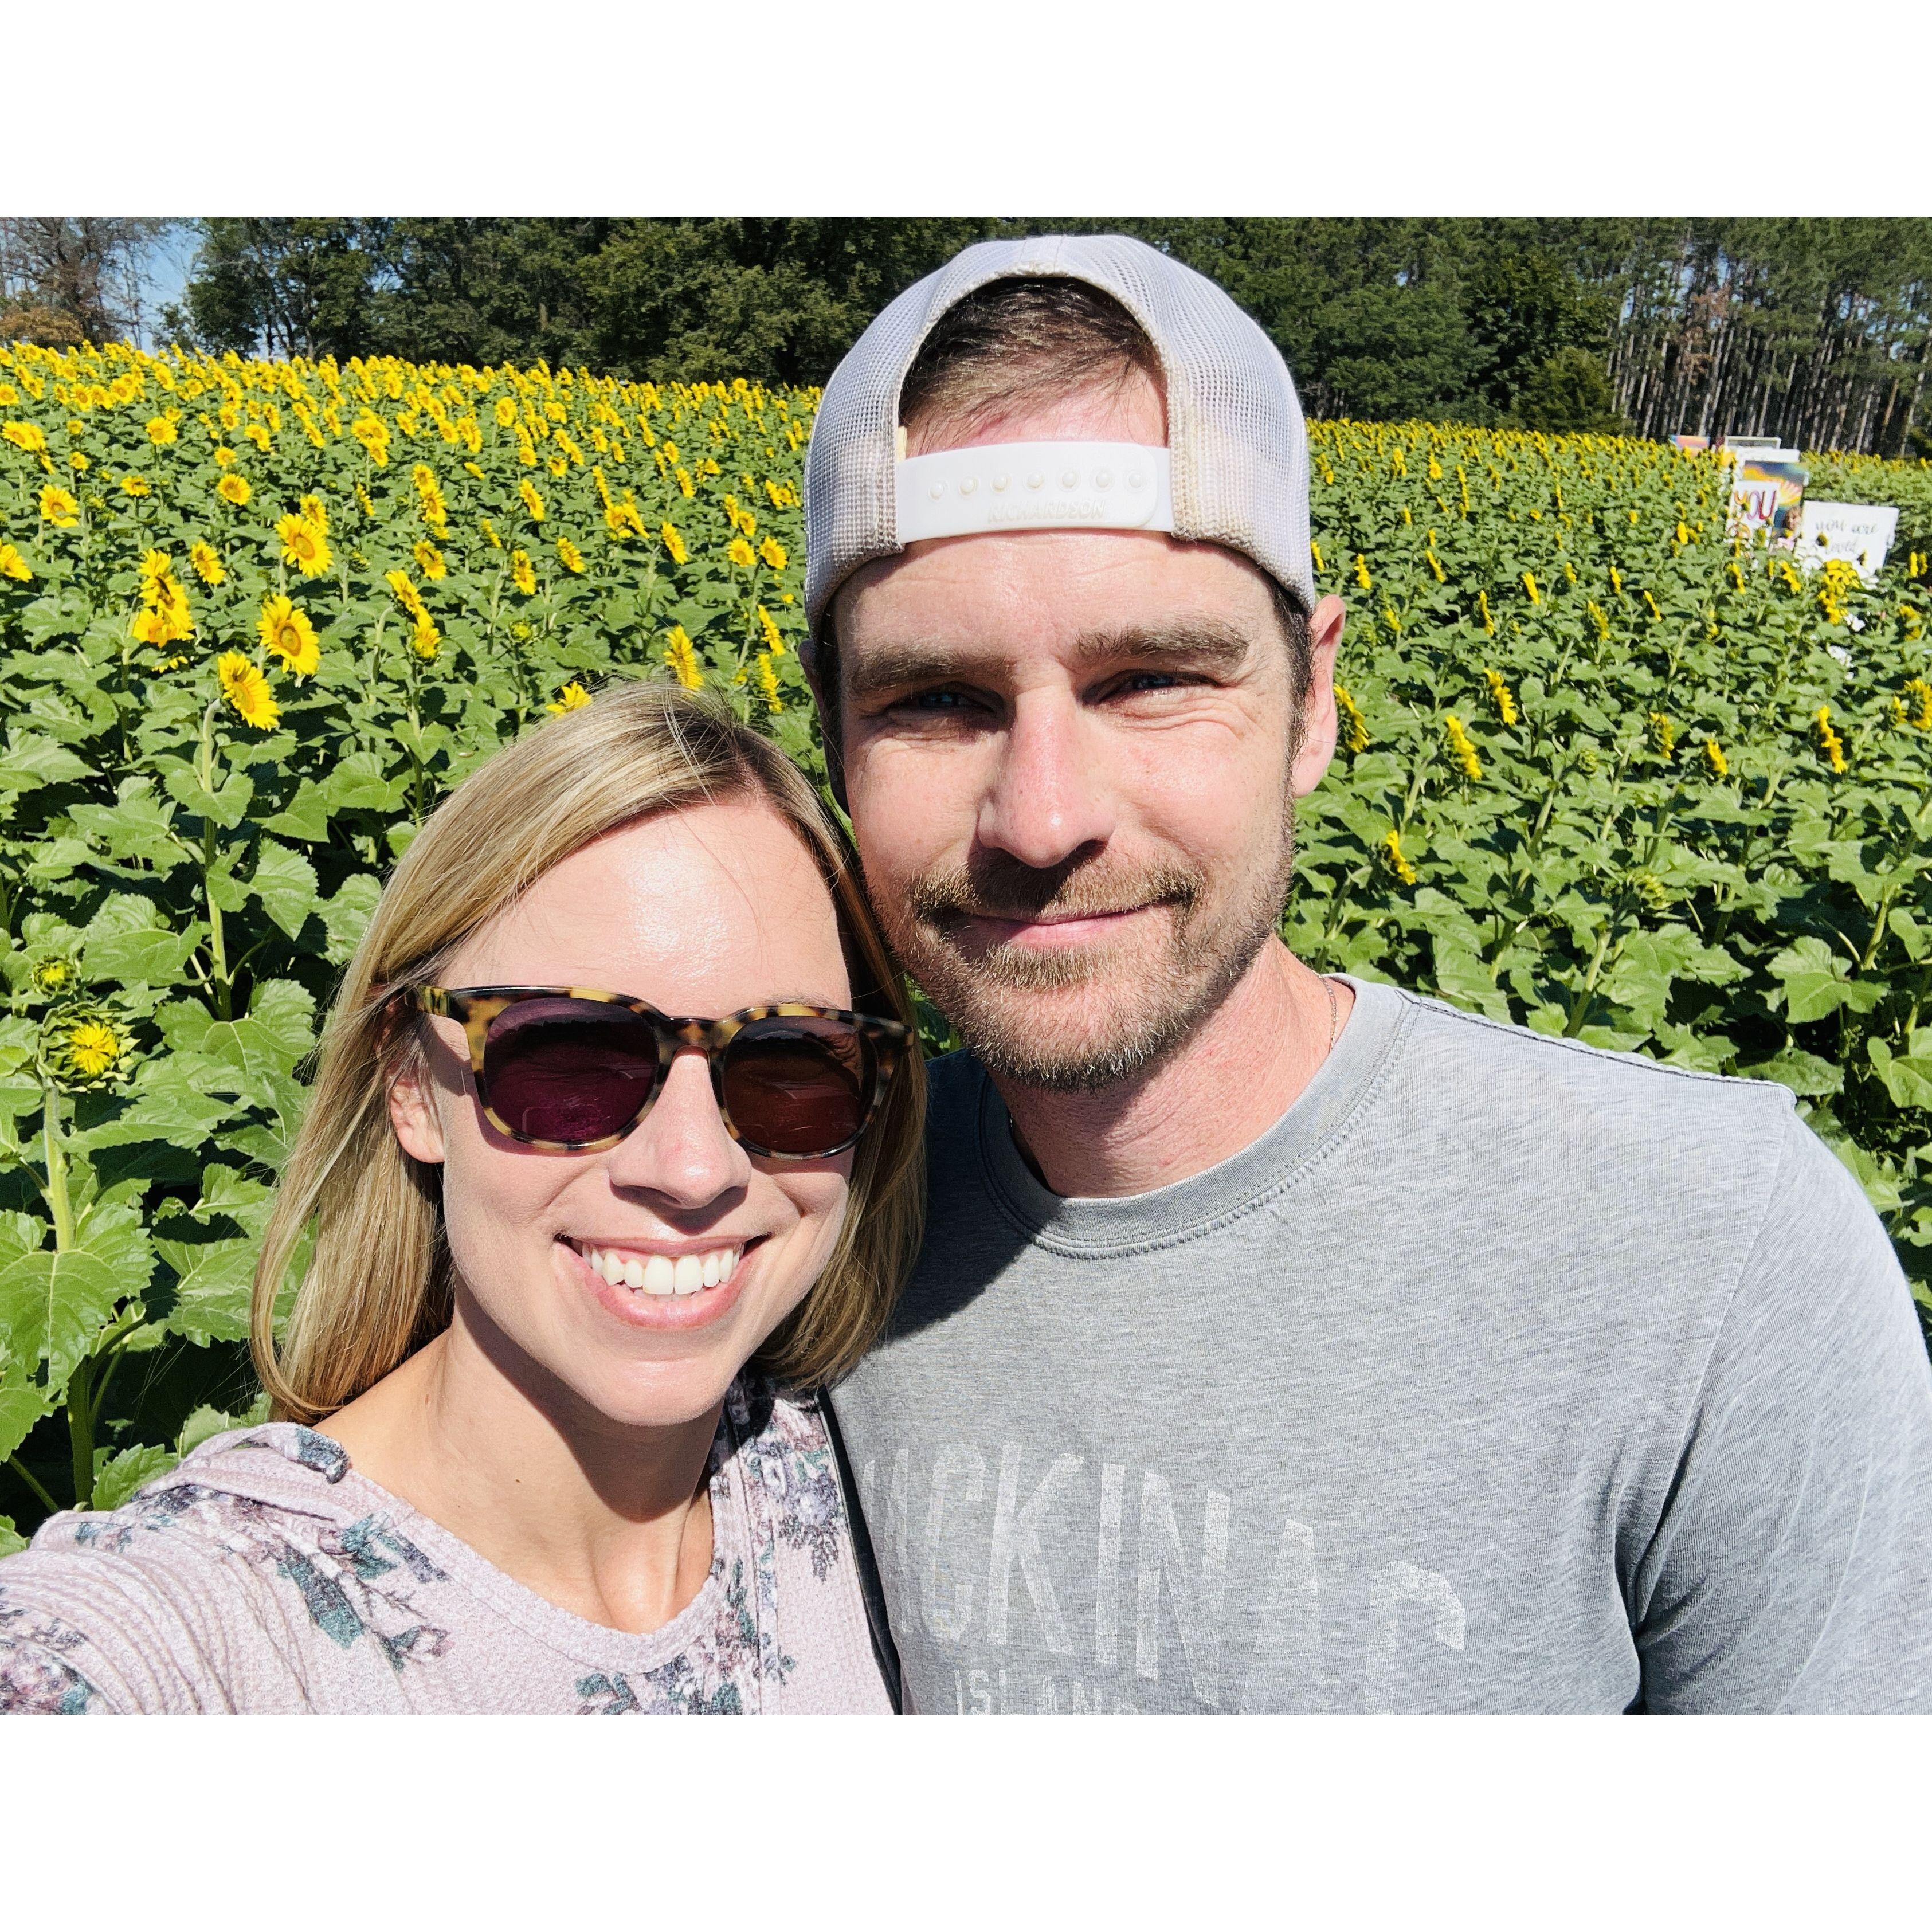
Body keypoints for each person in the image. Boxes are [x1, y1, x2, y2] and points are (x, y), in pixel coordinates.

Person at [804, 233, 1932, 1714]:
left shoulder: (1708, 1263)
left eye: (1151, 680)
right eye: (935, 700)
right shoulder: (780, 1218)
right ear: (832, 739)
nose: (1044, 814)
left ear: (1313, 701)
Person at [0, 686, 922, 1714]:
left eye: (791, 1061)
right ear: (411, 1088)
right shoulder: (211, 1632)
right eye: (571, 1054)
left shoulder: (859, 1473)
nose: (694, 1168)